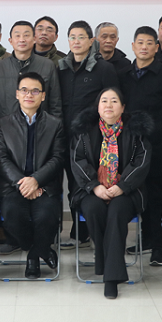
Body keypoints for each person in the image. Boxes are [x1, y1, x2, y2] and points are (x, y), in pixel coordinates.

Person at [70, 88, 151, 299]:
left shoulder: (136, 131)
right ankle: (109, 264)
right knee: (93, 209)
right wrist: (94, 186)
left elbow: (141, 162)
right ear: (97, 107)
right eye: (104, 101)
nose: (108, 105)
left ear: (122, 108)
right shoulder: (84, 130)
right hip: (91, 190)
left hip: (127, 191)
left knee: (116, 212)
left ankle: (110, 278)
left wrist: (123, 186)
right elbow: (77, 160)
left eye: (114, 101)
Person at [118, 26, 162, 265]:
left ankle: (158, 246)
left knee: (157, 196)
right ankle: (145, 240)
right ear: (133, 46)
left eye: (149, 43)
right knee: (138, 193)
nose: (144, 47)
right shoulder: (123, 75)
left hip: (158, 146)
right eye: (140, 43)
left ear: (156, 48)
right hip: (130, 147)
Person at [0, 72, 66, 279]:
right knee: (12, 216)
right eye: (24, 90)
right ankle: (42, 250)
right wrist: (22, 183)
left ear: (43, 96)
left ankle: (34, 257)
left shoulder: (55, 124)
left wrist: (36, 180)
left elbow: (58, 158)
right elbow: (1, 159)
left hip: (45, 185)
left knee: (47, 216)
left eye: (35, 91)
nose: (29, 95)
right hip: (13, 185)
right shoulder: (3, 124)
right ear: (17, 94)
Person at [58, 20, 118, 248]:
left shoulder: (104, 68)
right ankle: (77, 232)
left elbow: (113, 101)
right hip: (64, 135)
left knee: (90, 180)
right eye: (72, 37)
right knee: (70, 184)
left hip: (93, 137)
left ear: (91, 41)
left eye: (81, 37)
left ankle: (92, 232)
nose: (76, 41)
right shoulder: (61, 68)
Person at [0, 21, 62, 125]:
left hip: (41, 127)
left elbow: (55, 103)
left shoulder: (48, 65)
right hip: (7, 128)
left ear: (34, 39)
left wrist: (55, 129)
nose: (22, 39)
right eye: (17, 35)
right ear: (10, 41)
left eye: (26, 35)